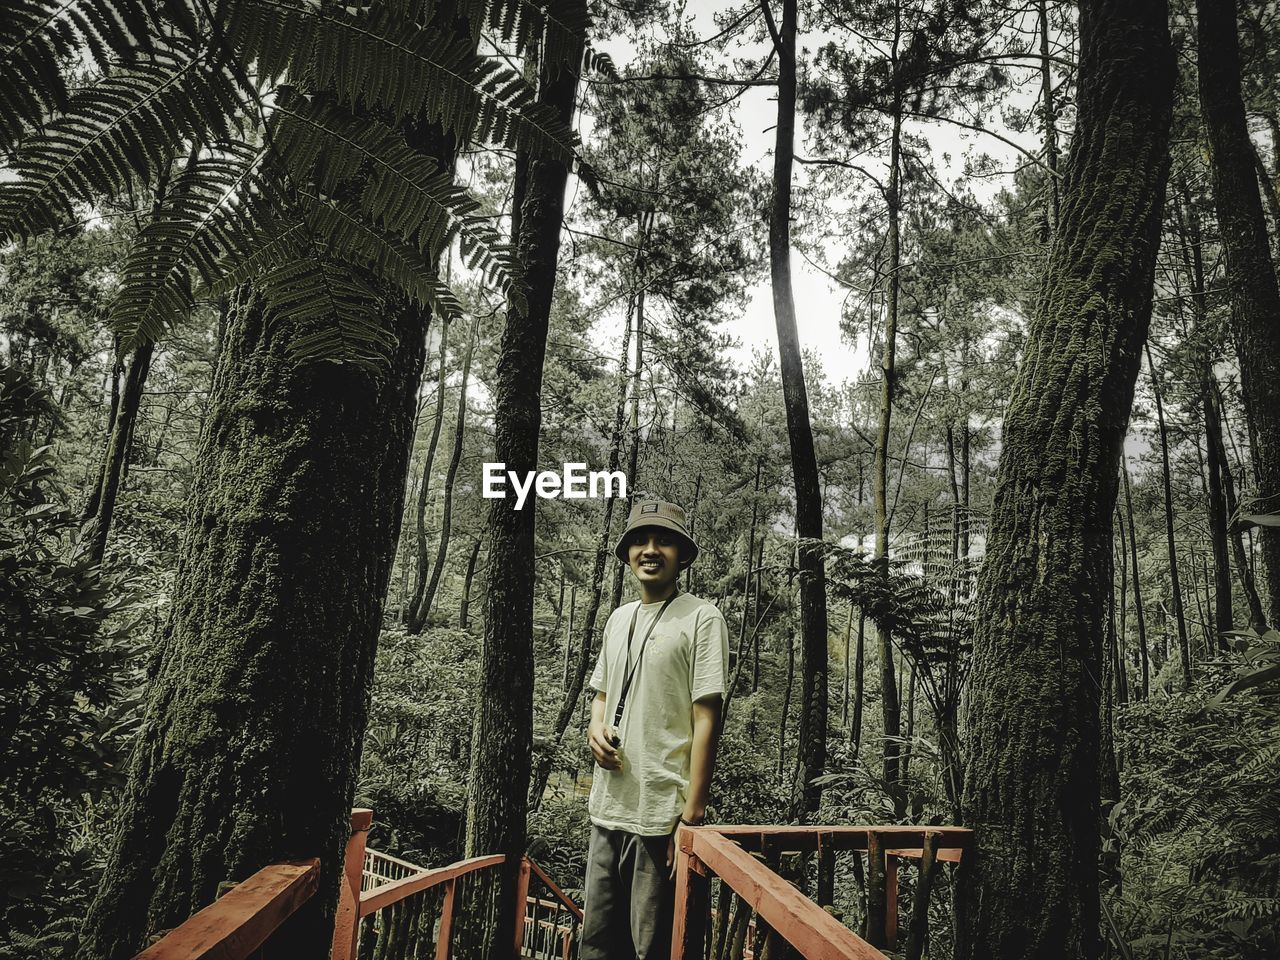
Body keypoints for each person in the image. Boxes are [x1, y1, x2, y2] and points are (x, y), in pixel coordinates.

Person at [581, 499, 729, 960]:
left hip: (661, 817)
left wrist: (690, 818)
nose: (651, 549)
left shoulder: (702, 617)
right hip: (607, 809)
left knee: (653, 948)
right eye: (641, 540)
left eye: (664, 540)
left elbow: (707, 717)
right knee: (597, 946)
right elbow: (602, 694)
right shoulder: (618, 618)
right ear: (627, 553)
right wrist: (594, 728)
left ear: (682, 554)